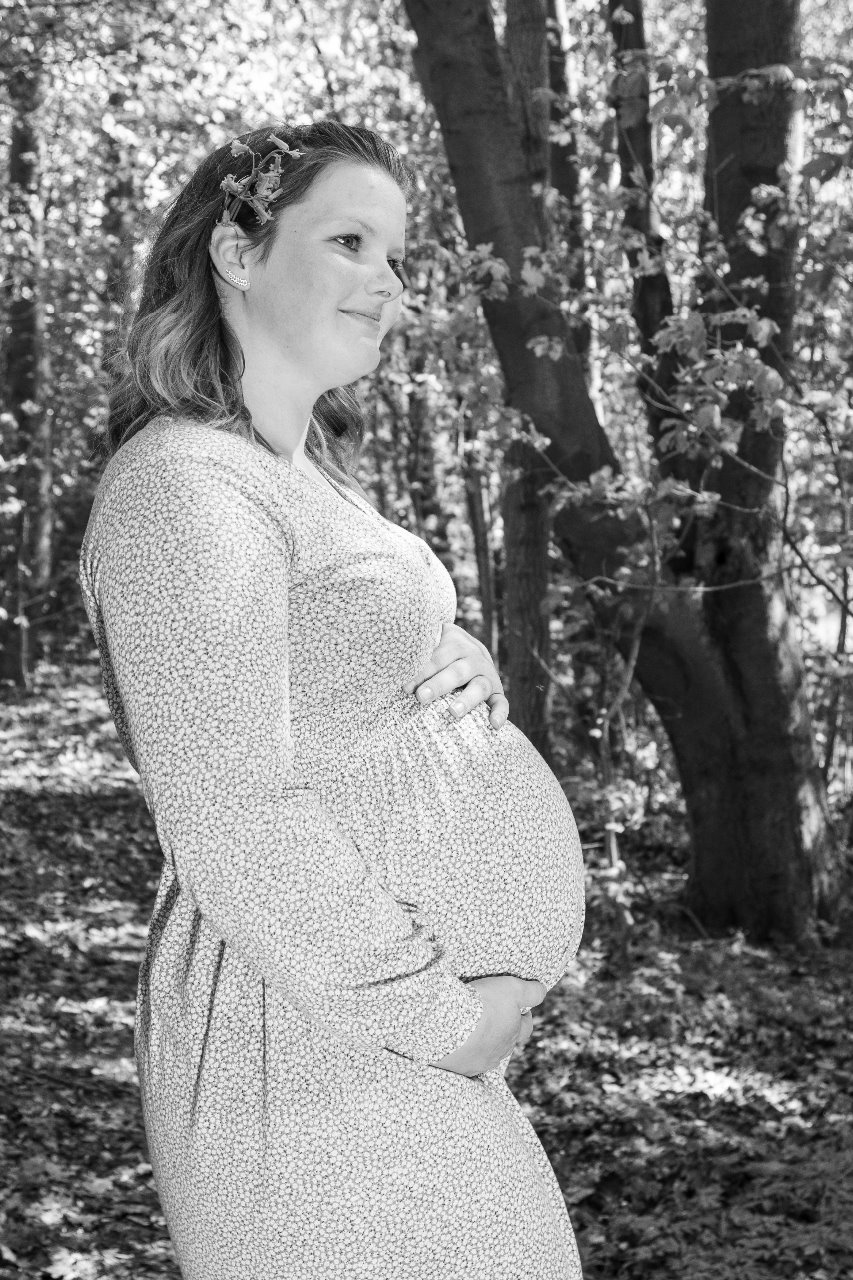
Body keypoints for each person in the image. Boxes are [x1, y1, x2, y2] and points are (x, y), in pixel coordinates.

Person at [78, 119, 585, 1279]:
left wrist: (455, 659)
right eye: (349, 240)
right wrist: (443, 1017)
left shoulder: (293, 476)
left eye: (396, 255)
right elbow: (231, 813)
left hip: (361, 1037)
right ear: (237, 251)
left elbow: (326, 666)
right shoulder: (186, 486)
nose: (388, 283)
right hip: (304, 1038)